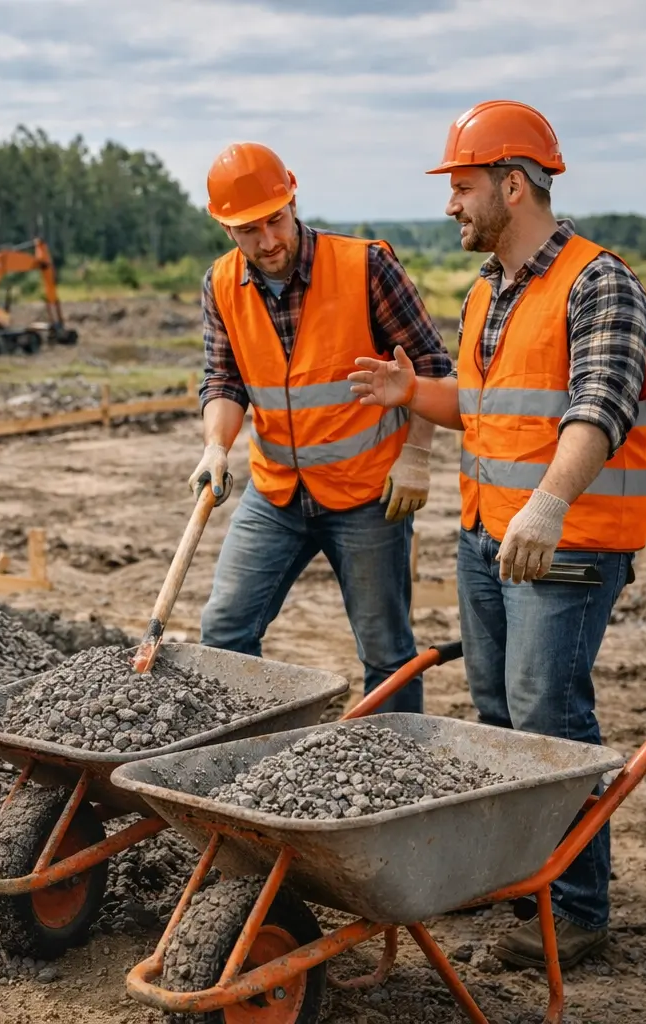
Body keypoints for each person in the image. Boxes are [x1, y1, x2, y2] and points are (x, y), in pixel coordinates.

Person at [348, 99, 646, 969]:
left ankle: (579, 909)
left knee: (548, 718)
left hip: (568, 539)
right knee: (499, 717)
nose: (451, 205)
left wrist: (552, 502)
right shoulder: (489, 290)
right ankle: (526, 879)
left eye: (463, 186)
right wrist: (411, 395)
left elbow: (600, 404)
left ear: (512, 186)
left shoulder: (600, 283)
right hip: (490, 539)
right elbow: (486, 411)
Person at [193, 142, 452, 714]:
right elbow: (224, 381)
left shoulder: (366, 267)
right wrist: (216, 447)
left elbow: (432, 370)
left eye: (275, 221)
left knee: (386, 649)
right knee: (225, 628)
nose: (267, 241)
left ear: (293, 199)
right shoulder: (220, 285)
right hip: (277, 490)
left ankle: (394, 769)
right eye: (247, 230)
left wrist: (416, 456)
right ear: (225, 228)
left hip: (366, 493)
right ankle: (242, 761)